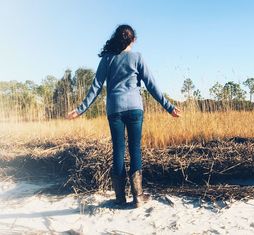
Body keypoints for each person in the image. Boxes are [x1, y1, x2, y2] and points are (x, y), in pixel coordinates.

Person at [67, 24, 181, 208]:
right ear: (133, 40)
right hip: (135, 108)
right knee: (135, 149)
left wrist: (80, 109)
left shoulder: (107, 59)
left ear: (116, 38)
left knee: (118, 150)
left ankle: (120, 198)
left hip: (115, 110)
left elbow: (95, 87)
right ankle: (138, 197)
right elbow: (152, 85)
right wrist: (169, 107)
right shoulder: (137, 57)